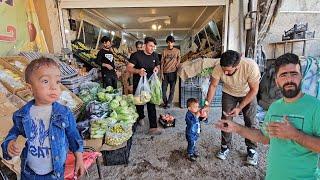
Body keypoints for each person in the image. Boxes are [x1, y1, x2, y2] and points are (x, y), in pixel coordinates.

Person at [215, 53, 320, 179]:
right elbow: (264, 137)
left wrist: (295, 135)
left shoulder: (315, 107)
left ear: (301, 77)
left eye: (294, 74)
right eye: (283, 75)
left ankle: (251, 151)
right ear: (276, 80)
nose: (289, 79)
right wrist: (235, 127)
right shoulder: (275, 107)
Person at [1, 57, 85, 179]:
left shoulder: (64, 113)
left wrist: (79, 158)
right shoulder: (22, 115)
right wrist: (9, 145)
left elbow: (74, 136)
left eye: (57, 81)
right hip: (29, 174)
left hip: (55, 174)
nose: (54, 87)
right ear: (30, 88)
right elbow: (13, 134)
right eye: (45, 81)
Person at [204, 50, 260, 165]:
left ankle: (252, 149)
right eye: (223, 69)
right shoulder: (219, 67)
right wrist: (207, 105)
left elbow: (254, 89)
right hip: (229, 93)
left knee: (250, 120)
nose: (225, 72)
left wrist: (239, 108)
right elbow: (213, 85)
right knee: (226, 120)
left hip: (248, 93)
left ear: (237, 66)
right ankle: (225, 147)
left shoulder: (250, 66)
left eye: (228, 71)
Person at [127, 37, 162, 135]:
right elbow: (129, 68)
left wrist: (156, 69)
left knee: (152, 105)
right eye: (150, 46)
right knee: (139, 103)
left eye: (154, 47)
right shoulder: (136, 55)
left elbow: (158, 66)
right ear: (145, 45)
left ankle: (153, 127)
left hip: (151, 84)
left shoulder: (155, 55)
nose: (152, 48)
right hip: (139, 84)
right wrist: (138, 71)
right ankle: (141, 117)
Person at [160, 35, 181, 108]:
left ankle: (169, 103)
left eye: (171, 42)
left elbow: (179, 59)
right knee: (163, 91)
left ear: (173, 43)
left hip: (173, 73)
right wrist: (161, 73)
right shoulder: (164, 51)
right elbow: (162, 63)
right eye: (168, 42)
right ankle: (166, 102)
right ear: (167, 43)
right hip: (165, 73)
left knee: (172, 90)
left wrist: (177, 66)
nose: (170, 44)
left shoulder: (177, 51)